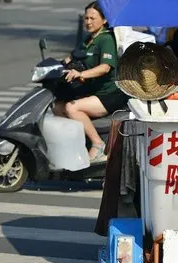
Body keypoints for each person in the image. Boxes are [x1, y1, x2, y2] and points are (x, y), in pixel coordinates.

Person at [53, 1, 129, 163]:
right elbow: (72, 57)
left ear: (104, 20)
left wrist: (81, 74)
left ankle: (98, 144)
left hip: (109, 93)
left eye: (92, 18)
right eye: (86, 18)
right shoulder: (88, 40)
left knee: (72, 108)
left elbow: (105, 68)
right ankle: (73, 146)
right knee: (58, 107)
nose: (88, 22)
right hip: (93, 91)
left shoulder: (106, 39)